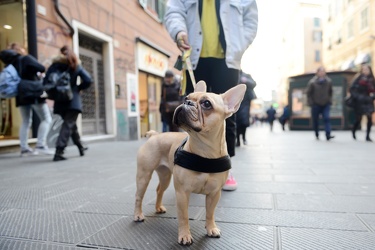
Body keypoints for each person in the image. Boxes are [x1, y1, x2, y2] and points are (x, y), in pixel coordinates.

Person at [164, 0, 258, 191]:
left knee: (226, 113)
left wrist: (240, 44)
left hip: (228, 58)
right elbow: (173, 11)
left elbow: (251, 18)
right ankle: (188, 162)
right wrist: (179, 31)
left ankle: (225, 166)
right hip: (194, 55)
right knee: (191, 112)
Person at [0, 43, 53, 156]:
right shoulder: (26, 58)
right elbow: (41, 68)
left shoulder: (11, 64)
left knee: (26, 121)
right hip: (33, 91)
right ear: (20, 50)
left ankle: (24, 148)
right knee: (46, 118)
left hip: (21, 94)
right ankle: (41, 145)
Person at [44, 46, 92, 161]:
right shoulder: (75, 65)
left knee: (70, 125)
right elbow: (88, 80)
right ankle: (59, 152)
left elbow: (46, 81)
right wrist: (77, 88)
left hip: (60, 101)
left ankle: (81, 147)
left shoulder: (54, 66)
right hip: (72, 100)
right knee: (68, 125)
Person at [306, 66, 335, 141]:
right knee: (315, 120)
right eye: (320, 71)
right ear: (317, 73)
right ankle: (316, 133)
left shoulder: (328, 81)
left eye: (323, 71)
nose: (322, 73)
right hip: (315, 104)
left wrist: (329, 100)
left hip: (326, 104)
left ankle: (328, 134)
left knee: (327, 118)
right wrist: (311, 103)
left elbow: (331, 92)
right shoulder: (312, 82)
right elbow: (308, 93)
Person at [349, 64, 375, 141]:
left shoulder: (372, 79)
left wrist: (372, 97)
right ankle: (354, 130)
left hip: (368, 100)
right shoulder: (358, 79)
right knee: (358, 119)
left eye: (367, 69)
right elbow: (352, 89)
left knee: (369, 118)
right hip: (359, 101)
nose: (366, 71)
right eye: (364, 69)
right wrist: (357, 97)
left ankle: (367, 136)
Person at [236, 72, 256, 146]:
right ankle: (238, 139)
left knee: (244, 121)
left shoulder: (246, 75)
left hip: (245, 101)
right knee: (237, 121)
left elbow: (253, 83)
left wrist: (246, 80)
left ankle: (244, 138)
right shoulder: (232, 73)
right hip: (235, 99)